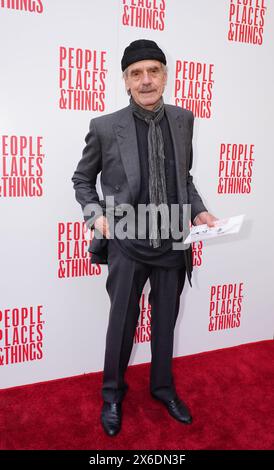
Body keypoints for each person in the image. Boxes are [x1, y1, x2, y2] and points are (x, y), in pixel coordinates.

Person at [72, 39, 217, 437]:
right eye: (136, 73)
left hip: (172, 236)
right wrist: (96, 215)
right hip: (125, 238)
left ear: (166, 76)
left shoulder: (185, 119)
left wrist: (200, 209)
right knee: (122, 322)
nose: (146, 80)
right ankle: (113, 395)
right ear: (126, 81)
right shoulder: (104, 127)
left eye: (153, 71)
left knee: (166, 321)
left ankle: (163, 388)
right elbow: (82, 180)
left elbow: (183, 178)